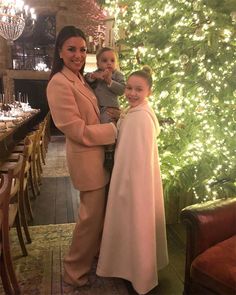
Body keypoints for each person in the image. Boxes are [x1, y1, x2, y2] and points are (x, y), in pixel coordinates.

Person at [46, 25, 117, 289]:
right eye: (72, 49)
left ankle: (95, 257)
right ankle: (73, 272)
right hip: (86, 159)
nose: (78, 54)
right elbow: (75, 129)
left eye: (83, 50)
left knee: (96, 217)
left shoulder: (80, 78)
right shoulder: (59, 83)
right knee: (89, 220)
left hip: (99, 157)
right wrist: (113, 130)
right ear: (60, 52)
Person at [96, 66, 169, 295]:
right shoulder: (133, 112)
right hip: (126, 176)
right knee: (128, 224)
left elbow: (139, 159)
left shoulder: (141, 118)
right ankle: (127, 265)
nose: (132, 93)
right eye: (129, 88)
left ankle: (139, 272)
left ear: (149, 92)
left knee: (136, 222)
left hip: (134, 181)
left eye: (139, 89)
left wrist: (130, 185)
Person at [85, 47, 125, 170]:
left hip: (111, 108)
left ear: (116, 63)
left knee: (110, 128)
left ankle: (110, 152)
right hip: (98, 108)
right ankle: (106, 150)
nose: (109, 63)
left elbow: (122, 90)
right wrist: (93, 76)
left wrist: (109, 81)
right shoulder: (97, 73)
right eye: (104, 60)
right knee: (102, 128)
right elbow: (86, 79)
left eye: (112, 60)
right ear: (98, 63)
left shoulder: (117, 75)